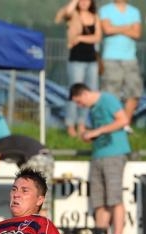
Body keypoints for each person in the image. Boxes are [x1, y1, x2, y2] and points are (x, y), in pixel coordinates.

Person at [69, 83, 131, 234]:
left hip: (114, 153)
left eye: (79, 102)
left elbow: (123, 120)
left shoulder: (108, 99)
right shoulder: (93, 108)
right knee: (99, 199)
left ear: (84, 94)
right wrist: (89, 134)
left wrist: (98, 131)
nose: (80, 106)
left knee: (114, 197)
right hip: (98, 154)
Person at [55, 0, 102, 138]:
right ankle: (70, 124)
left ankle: (82, 123)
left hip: (91, 61)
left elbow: (97, 37)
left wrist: (80, 37)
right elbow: (66, 12)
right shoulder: (73, 15)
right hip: (76, 60)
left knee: (89, 93)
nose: (84, 2)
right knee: (74, 92)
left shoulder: (95, 17)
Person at [0, 135, 54, 217]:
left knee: (27, 202)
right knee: (42, 200)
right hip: (47, 158)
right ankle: (45, 226)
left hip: (35, 160)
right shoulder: (4, 143)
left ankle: (29, 227)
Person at [99, 0, 143, 123]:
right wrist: (127, 27)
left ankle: (125, 124)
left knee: (134, 92)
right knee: (111, 93)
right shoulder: (105, 10)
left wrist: (116, 28)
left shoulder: (134, 11)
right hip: (110, 58)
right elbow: (107, 29)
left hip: (130, 58)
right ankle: (111, 123)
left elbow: (137, 33)